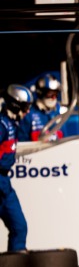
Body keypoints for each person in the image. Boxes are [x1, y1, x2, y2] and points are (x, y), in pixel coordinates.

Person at [0, 84, 31, 252]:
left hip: (5, 183)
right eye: (25, 106)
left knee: (19, 227)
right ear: (15, 105)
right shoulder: (2, 124)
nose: (27, 111)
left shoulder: (12, 124)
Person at [18, 74, 62, 142]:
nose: (53, 97)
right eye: (50, 94)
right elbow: (22, 143)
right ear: (41, 93)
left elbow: (63, 136)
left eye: (55, 94)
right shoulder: (28, 113)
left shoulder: (57, 110)